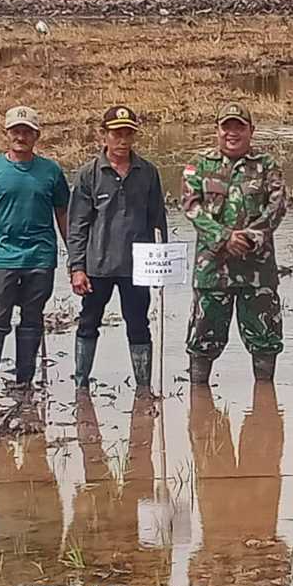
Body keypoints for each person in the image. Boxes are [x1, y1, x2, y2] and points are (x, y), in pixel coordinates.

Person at [182, 102, 287, 385]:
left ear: (251, 131)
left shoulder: (267, 165)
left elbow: (276, 208)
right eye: (226, 127)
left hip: (258, 270)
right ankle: (200, 407)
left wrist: (250, 238)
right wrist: (225, 237)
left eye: (239, 127)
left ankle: (265, 410)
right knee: (203, 339)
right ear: (217, 130)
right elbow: (192, 208)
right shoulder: (199, 164)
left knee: (265, 339)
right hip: (213, 269)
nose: (232, 133)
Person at [68, 106, 168, 392]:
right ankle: (81, 386)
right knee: (88, 323)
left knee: (139, 325)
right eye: (117, 134)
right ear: (104, 135)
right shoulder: (89, 174)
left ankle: (144, 388)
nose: (123, 140)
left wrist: (161, 265)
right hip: (97, 265)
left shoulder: (148, 172)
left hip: (138, 267)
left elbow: (158, 220)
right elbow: (78, 225)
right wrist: (77, 268)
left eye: (128, 134)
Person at [0, 106, 69, 393]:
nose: (21, 136)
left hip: (40, 256)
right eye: (16, 130)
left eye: (27, 131)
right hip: (2, 256)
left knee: (32, 317)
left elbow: (63, 213)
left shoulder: (51, 170)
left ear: (36, 136)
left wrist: (75, 254)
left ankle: (24, 382)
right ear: (7, 133)